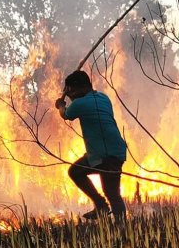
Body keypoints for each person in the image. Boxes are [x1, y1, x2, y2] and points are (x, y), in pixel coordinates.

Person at [54, 70, 127, 220]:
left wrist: (61, 104)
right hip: (115, 151)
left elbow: (65, 114)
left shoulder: (80, 104)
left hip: (105, 155)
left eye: (71, 91)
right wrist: (70, 94)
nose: (70, 95)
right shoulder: (103, 98)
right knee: (77, 172)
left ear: (80, 88)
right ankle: (102, 207)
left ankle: (117, 222)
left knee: (111, 193)